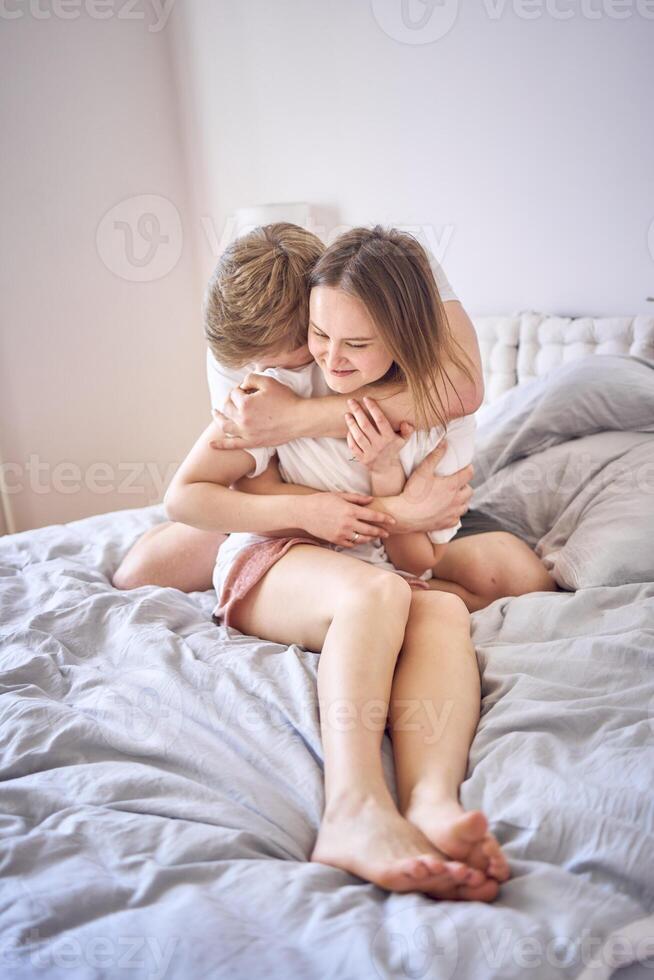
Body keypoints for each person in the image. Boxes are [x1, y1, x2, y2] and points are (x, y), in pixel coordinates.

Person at [162, 226, 511, 901]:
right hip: (274, 557)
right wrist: (314, 513)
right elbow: (184, 494)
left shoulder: (426, 400)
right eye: (321, 339)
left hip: (369, 560)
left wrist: (394, 497)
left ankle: (432, 801)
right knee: (379, 596)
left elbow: (421, 551)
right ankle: (353, 809)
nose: (328, 356)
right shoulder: (274, 387)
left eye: (352, 343)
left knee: (434, 603)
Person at [113, 223, 554, 612]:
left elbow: (463, 390)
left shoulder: (384, 280)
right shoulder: (242, 358)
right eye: (257, 365)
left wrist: (297, 417)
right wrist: (395, 512)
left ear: (318, 305)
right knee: (136, 575)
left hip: (396, 515)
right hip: (305, 507)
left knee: (520, 579)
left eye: (289, 360)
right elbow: (255, 486)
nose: (268, 375)